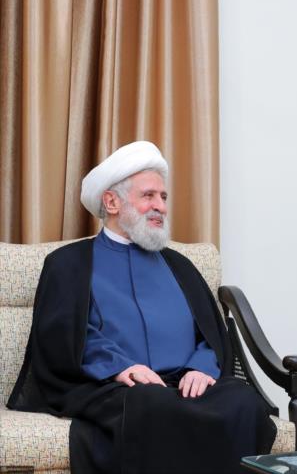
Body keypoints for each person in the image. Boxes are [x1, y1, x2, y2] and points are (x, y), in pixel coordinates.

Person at [6, 141, 276, 473]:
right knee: (152, 404)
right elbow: (65, 336)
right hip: (113, 387)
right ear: (111, 201)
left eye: (163, 197)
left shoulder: (181, 266)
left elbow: (211, 334)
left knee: (243, 402)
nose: (160, 206)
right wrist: (121, 367)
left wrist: (201, 369)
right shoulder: (69, 264)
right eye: (148, 196)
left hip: (184, 383)